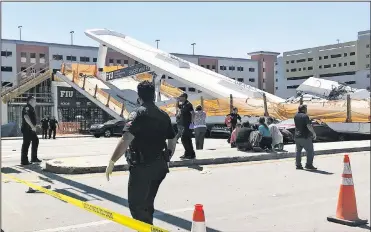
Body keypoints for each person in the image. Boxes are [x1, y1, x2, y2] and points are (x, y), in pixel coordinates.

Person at [105, 81, 177, 225]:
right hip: (160, 167)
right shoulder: (164, 116)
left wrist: (112, 161)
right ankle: (149, 226)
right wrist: (168, 155)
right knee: (147, 204)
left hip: (143, 167)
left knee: (136, 206)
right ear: (154, 96)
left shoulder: (137, 114)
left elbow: (126, 139)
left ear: (139, 97)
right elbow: (173, 138)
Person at [294, 105, 317, 170]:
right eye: (306, 109)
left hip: (297, 136)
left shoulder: (295, 116)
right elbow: (308, 125)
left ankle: (298, 165)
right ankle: (308, 165)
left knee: (298, 151)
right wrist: (313, 133)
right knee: (310, 151)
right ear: (304, 110)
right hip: (305, 136)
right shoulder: (305, 116)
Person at [21, 96, 41, 165]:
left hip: (31, 129)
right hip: (27, 129)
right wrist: (32, 126)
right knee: (26, 144)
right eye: (34, 101)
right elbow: (26, 117)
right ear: (30, 101)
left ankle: (34, 158)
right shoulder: (27, 107)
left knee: (35, 140)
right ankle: (24, 160)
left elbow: (31, 119)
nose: (36, 102)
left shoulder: (31, 108)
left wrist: (35, 126)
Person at [177, 93, 196, 159]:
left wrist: (192, 123)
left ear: (184, 97)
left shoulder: (188, 104)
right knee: (188, 139)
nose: (179, 98)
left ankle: (189, 153)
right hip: (185, 125)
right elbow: (178, 107)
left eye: (180, 97)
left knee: (184, 138)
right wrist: (177, 101)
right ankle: (190, 154)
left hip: (188, 125)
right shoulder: (183, 105)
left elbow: (193, 113)